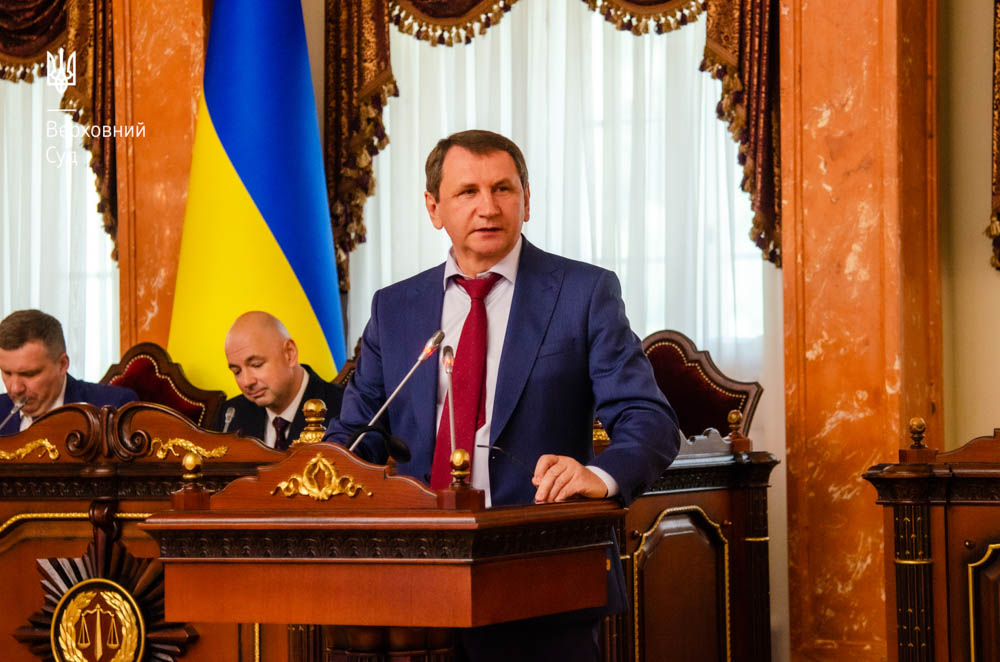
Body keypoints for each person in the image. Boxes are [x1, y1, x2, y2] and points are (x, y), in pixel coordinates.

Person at [324, 130, 681, 661]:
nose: (488, 207)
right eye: (467, 191)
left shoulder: (583, 293)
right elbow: (358, 435)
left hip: (540, 574)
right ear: (434, 208)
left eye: (503, 189)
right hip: (414, 579)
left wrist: (599, 476)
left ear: (527, 201)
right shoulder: (394, 307)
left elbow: (649, 419)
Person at [213, 311, 344, 449]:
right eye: (237, 372)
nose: (247, 382)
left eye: (256, 365)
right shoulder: (230, 415)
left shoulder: (345, 410)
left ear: (289, 353)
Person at [0, 309, 137, 436]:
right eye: (7, 373)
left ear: (62, 364)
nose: (16, 388)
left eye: (29, 374)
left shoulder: (113, 407)